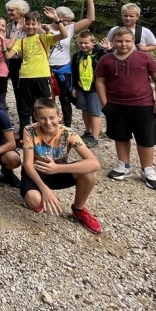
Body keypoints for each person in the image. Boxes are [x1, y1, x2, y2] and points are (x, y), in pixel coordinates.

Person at [95, 27, 156, 190]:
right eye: (119, 41)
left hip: (144, 105)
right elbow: (100, 81)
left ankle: (147, 169)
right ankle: (123, 165)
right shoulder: (105, 60)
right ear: (112, 42)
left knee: (145, 138)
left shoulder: (144, 58)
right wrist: (104, 103)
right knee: (120, 136)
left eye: (127, 41)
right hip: (115, 105)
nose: (123, 44)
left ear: (133, 42)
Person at [20, 99, 102, 234]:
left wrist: (57, 168)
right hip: (36, 172)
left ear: (60, 116)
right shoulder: (30, 130)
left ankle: (79, 209)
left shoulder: (68, 133)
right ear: (35, 117)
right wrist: (44, 189)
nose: (48, 122)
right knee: (35, 201)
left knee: (89, 172)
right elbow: (27, 164)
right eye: (42, 118)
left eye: (52, 118)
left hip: (58, 171)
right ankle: (41, 194)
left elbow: (95, 164)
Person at [4, 8, 67, 138]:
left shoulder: (44, 38)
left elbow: (64, 35)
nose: (30, 26)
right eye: (27, 23)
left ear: (39, 25)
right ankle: (25, 136)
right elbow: (8, 54)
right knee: (24, 109)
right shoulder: (21, 41)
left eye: (33, 23)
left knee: (44, 107)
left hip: (42, 77)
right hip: (25, 77)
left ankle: (43, 135)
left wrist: (56, 19)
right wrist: (14, 32)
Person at [48, 0, 96, 128]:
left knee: (65, 98)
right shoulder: (45, 29)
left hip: (64, 68)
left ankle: (67, 125)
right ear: (56, 16)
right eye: (65, 20)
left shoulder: (69, 28)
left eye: (69, 21)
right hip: (47, 68)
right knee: (48, 99)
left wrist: (90, 1)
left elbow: (90, 20)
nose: (67, 23)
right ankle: (48, 124)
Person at [70, 30, 110, 148]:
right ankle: (88, 132)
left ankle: (95, 137)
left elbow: (111, 60)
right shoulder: (77, 56)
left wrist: (108, 50)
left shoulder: (100, 54)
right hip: (81, 87)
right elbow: (74, 72)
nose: (83, 45)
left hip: (95, 89)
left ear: (93, 43)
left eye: (86, 43)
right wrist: (74, 87)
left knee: (94, 113)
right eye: (81, 43)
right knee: (85, 111)